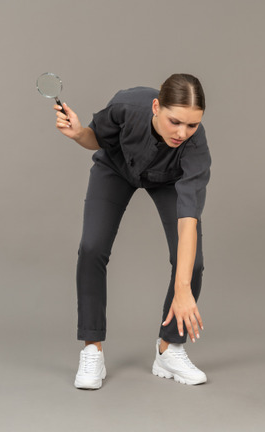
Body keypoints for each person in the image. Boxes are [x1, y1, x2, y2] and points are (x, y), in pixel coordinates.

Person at [54, 73, 212, 389]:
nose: (183, 133)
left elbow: (188, 222)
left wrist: (183, 289)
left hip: (167, 180)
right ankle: (92, 349)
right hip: (115, 169)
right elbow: (95, 139)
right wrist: (78, 134)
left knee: (191, 264)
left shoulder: (195, 147)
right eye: (175, 122)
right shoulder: (127, 105)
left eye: (192, 125)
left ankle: (169, 348)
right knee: (91, 247)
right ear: (156, 107)